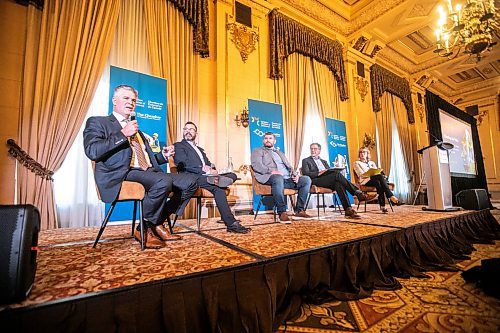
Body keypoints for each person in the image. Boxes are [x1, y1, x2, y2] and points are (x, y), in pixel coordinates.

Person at [84, 85, 198, 248]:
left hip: (147, 171)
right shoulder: (98, 122)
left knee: (191, 182)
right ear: (114, 100)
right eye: (126, 98)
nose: (131, 102)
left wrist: (164, 156)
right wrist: (122, 134)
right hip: (121, 173)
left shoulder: (137, 130)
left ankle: (154, 222)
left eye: (133, 100)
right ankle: (144, 229)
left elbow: (147, 159)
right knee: (162, 181)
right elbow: (92, 151)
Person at [173, 121, 251, 234]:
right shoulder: (179, 146)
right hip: (191, 177)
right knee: (219, 187)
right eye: (186, 129)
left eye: (191, 129)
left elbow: (208, 163)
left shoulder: (200, 150)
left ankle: (217, 180)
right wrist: (202, 169)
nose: (188, 131)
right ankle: (231, 223)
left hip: (206, 177)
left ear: (196, 133)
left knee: (231, 176)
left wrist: (212, 169)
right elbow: (182, 163)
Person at [301, 143, 377, 219]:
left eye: (315, 149)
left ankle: (348, 210)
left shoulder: (324, 161)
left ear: (319, 150)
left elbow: (329, 171)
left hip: (327, 180)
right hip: (315, 180)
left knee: (338, 183)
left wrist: (334, 168)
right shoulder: (306, 160)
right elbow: (306, 174)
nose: (313, 150)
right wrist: (319, 173)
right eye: (311, 148)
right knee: (336, 175)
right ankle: (358, 193)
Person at [251, 132, 312, 223]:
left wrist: (295, 175)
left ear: (274, 141)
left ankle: (299, 210)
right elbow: (257, 166)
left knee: (306, 179)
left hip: (286, 179)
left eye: (270, 138)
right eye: (266, 138)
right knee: (278, 177)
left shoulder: (280, 153)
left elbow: (289, 167)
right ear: (263, 140)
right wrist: (271, 171)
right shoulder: (258, 151)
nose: (268, 140)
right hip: (270, 177)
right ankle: (282, 212)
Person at [354, 147, 403, 213]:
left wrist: (376, 172)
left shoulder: (372, 163)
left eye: (364, 152)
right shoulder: (356, 163)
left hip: (374, 180)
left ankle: (383, 207)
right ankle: (391, 196)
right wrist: (370, 173)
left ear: (367, 154)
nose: (362, 154)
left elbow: (376, 172)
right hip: (365, 181)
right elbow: (360, 174)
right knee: (379, 176)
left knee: (378, 183)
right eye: (360, 152)